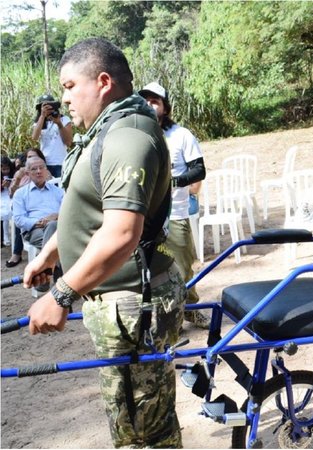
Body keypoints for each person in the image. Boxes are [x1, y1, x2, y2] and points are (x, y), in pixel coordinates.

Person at [23, 38, 185, 448]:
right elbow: (90, 211)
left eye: (69, 86)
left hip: (133, 303)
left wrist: (60, 294)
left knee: (147, 432)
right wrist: (48, 253)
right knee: (128, 423)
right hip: (117, 303)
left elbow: (121, 233)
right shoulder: (105, 132)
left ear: (103, 81)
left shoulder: (128, 136)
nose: (64, 99)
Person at [139, 82, 209, 328]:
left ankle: (191, 308)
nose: (149, 105)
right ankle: (169, 319)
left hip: (175, 214)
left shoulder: (181, 135)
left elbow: (199, 169)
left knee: (183, 267)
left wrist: (173, 182)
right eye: (145, 100)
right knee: (151, 271)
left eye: (154, 101)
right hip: (143, 220)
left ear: (165, 107)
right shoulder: (137, 135)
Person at [6, 149, 51, 268]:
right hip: (33, 225)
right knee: (60, 239)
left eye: (41, 167)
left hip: (54, 225)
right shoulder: (21, 186)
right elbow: (19, 217)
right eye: (28, 158)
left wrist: (56, 217)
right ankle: (49, 268)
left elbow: (65, 211)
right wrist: (39, 222)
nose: (38, 171)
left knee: (53, 229)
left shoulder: (56, 189)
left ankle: (43, 269)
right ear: (28, 171)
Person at [31, 93, 73, 177]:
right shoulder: (39, 122)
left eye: (50, 106)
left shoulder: (64, 119)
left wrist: (59, 124)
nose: (47, 108)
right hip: (44, 163)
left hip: (61, 161)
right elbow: (34, 137)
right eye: (44, 106)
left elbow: (68, 142)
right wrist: (42, 116)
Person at [1, 155, 16, 247]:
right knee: (3, 213)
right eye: (3, 169)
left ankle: (8, 236)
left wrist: (11, 184)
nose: (6, 171)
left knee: (9, 212)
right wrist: (2, 186)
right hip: (2, 196)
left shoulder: (13, 174)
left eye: (7, 169)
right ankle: (5, 236)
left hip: (10, 195)